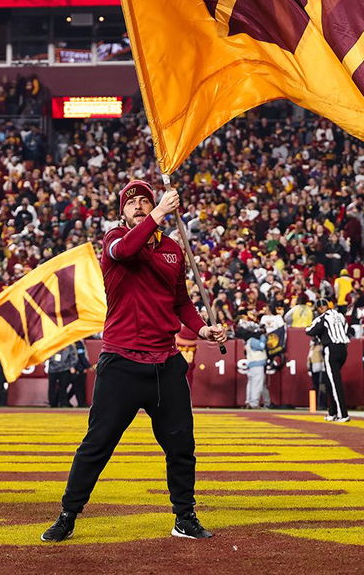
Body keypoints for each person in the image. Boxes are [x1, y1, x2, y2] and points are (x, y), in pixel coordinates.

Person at [41, 180, 227, 543]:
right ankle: (68, 514)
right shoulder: (114, 240)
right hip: (121, 362)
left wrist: (202, 330)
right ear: (122, 212)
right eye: (133, 203)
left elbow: (181, 302)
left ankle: (184, 517)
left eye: (146, 200)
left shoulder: (173, 248)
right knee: (97, 445)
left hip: (166, 362)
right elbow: (126, 250)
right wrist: (158, 214)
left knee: (181, 446)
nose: (140, 206)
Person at [308, 297, 350, 422]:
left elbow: (310, 331)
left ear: (321, 308)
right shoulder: (340, 315)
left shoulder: (322, 317)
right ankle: (332, 412)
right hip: (343, 349)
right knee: (328, 380)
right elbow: (347, 329)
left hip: (331, 349)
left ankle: (342, 414)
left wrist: (321, 334)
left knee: (334, 382)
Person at [47, 342, 79, 407]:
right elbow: (47, 355)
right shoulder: (52, 344)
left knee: (63, 387)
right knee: (52, 386)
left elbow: (74, 357)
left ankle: (63, 403)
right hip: (52, 369)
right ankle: (52, 403)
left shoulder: (69, 345)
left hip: (64, 369)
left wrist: (71, 366)